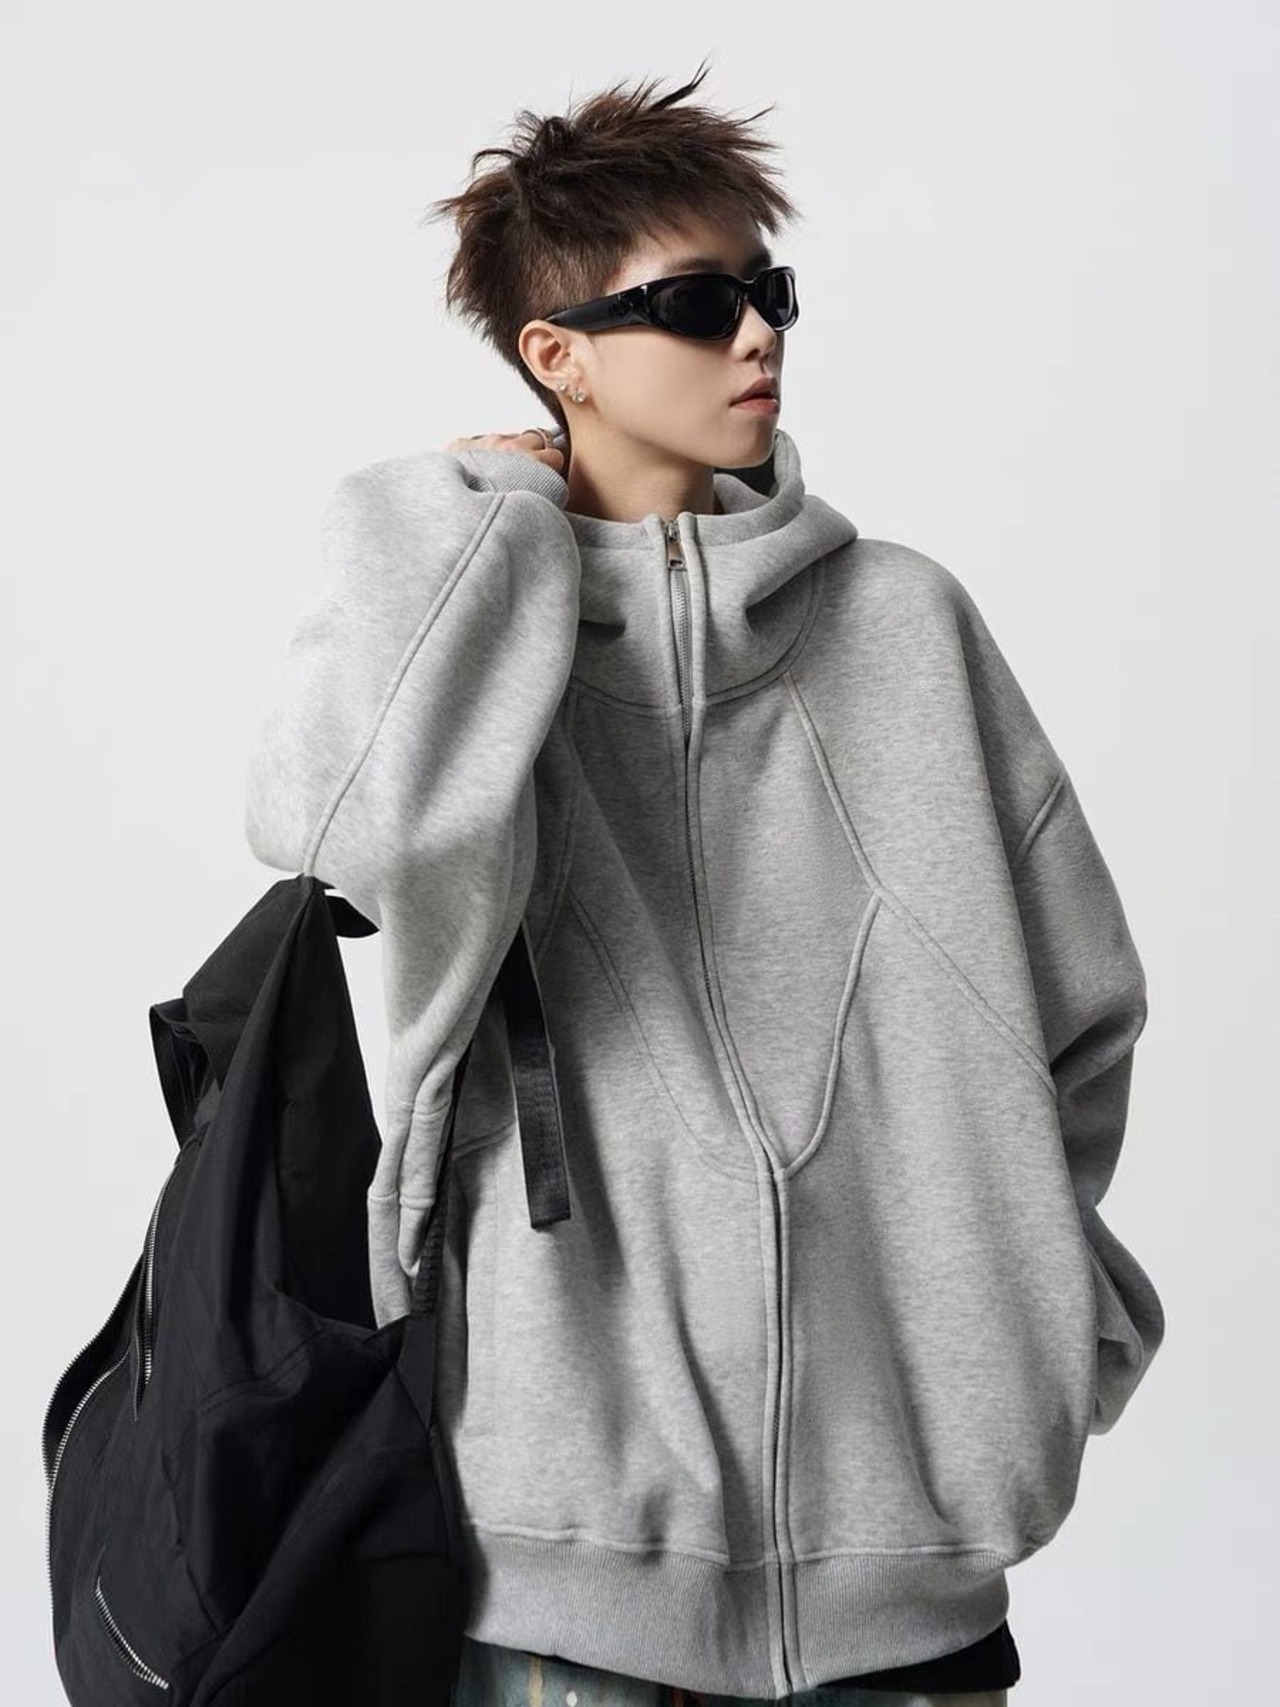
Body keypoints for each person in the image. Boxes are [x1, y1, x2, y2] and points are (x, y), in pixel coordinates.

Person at [243, 58, 1164, 1706]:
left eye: (767, 291)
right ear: (556, 355)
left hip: (914, 1563)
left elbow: (1081, 1017)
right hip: (558, 1561)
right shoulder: (472, 643)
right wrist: (463, 519)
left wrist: (1029, 1322)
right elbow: (346, 824)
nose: (756, 338)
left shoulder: (902, 625)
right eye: (694, 302)